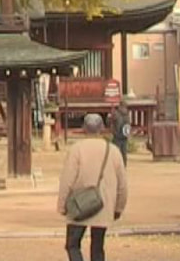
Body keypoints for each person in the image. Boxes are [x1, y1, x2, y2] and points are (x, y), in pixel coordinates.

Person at [57, 112, 128, 261]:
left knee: (73, 245)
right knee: (97, 247)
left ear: (83, 128)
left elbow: (67, 180)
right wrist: (118, 208)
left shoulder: (77, 149)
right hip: (103, 204)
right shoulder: (113, 151)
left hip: (79, 204)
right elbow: (122, 185)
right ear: (102, 128)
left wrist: (62, 205)